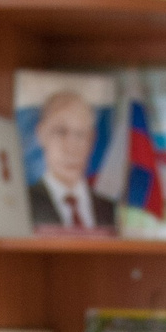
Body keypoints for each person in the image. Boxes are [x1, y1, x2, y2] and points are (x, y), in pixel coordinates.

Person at [27, 88, 116, 232]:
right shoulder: (24, 204)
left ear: (92, 139)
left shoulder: (110, 208)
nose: (71, 148)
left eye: (80, 134)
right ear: (41, 134)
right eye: (61, 132)